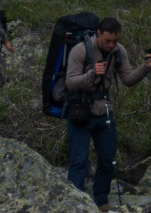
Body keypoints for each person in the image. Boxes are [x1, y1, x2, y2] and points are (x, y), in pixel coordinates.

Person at [64, 17, 151, 211]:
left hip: (104, 110)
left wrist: (145, 68)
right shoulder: (80, 50)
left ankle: (101, 201)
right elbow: (70, 82)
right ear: (98, 35)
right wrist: (92, 73)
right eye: (107, 41)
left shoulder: (119, 51)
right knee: (79, 161)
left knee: (107, 159)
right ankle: (74, 204)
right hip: (80, 111)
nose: (112, 45)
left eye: (115, 41)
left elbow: (128, 79)